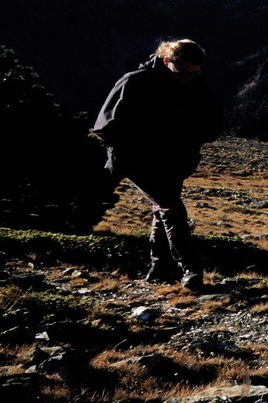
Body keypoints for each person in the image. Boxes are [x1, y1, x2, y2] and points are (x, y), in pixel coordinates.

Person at [92, 39, 224, 290]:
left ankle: (161, 269)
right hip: (138, 158)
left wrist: (191, 140)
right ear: (166, 61)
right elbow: (107, 127)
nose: (188, 78)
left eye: (195, 73)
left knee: (162, 208)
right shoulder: (135, 81)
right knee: (170, 207)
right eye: (183, 72)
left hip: (173, 160)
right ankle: (190, 268)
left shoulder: (193, 83)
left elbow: (213, 122)